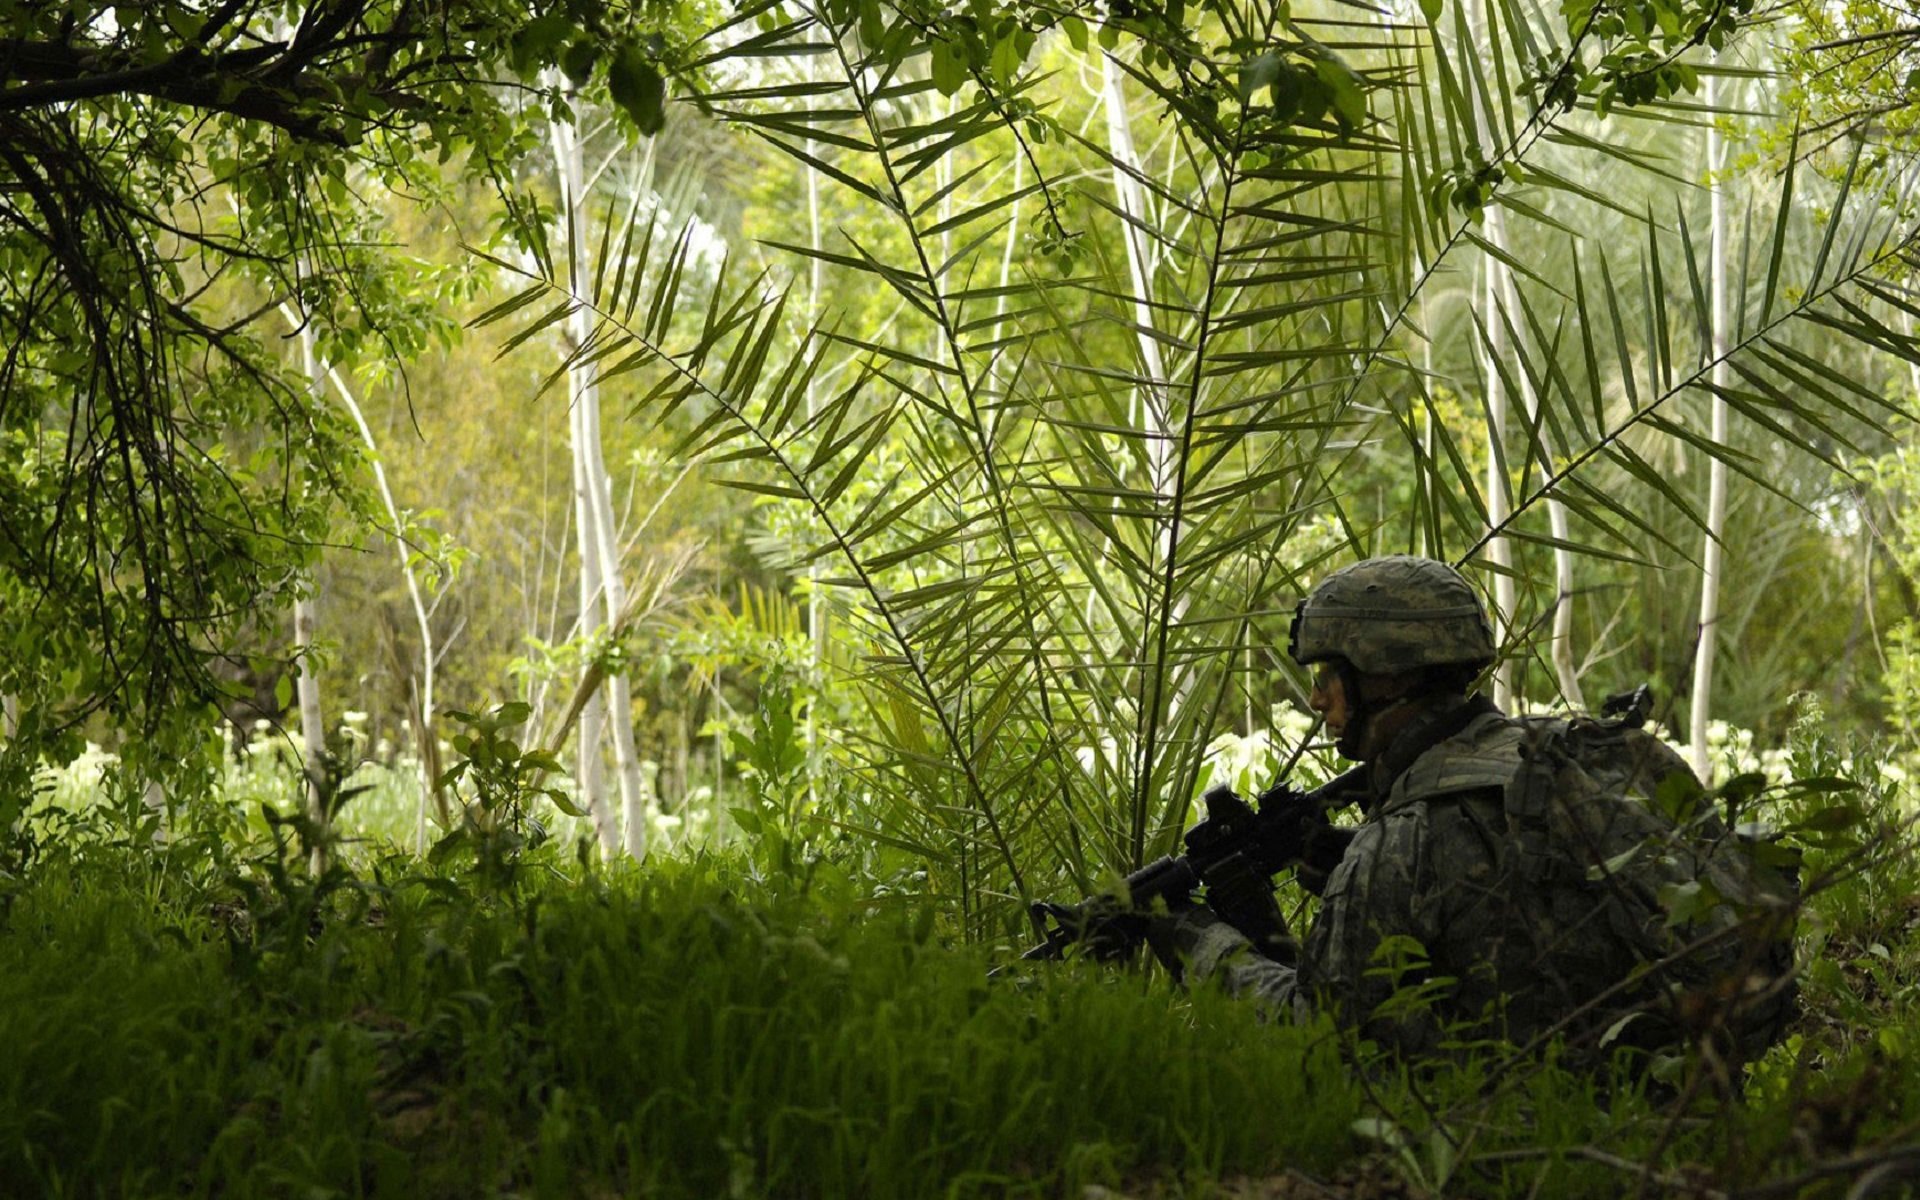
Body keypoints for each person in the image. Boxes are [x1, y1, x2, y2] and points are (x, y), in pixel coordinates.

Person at [1150, 555, 1797, 1064]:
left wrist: (1193, 935)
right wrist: (1342, 860)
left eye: (1327, 675)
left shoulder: (1401, 844)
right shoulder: (1595, 750)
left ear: (1383, 676)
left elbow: (1318, 1033)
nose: (1318, 699)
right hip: (1681, 1090)